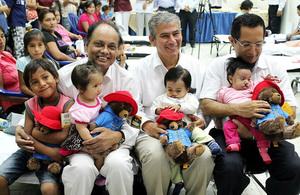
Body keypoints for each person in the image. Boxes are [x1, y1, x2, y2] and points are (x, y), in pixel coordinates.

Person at [200, 13, 300, 195]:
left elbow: (291, 110)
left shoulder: (274, 67)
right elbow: (206, 105)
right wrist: (238, 109)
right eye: (246, 44)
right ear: (232, 40)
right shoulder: (219, 66)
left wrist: (262, 126)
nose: (253, 51)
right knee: (229, 167)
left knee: (293, 166)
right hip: (230, 134)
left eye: (259, 43)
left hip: (269, 136)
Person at [129, 11, 215, 195]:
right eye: (164, 35)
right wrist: (147, 124)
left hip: (186, 131)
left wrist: (200, 120)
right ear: (152, 39)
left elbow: (204, 105)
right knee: (156, 157)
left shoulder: (197, 67)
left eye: (176, 33)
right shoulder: (138, 70)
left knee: (204, 156)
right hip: (151, 133)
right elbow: (130, 113)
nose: (172, 40)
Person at [56, 20, 139, 195]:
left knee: (119, 166)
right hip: (79, 146)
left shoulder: (127, 80)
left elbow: (135, 120)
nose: (105, 51)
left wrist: (118, 135)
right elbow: (55, 110)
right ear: (86, 45)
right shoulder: (65, 77)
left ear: (118, 51)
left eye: (111, 46)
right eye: (99, 44)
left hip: (116, 144)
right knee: (80, 169)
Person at [0, 58, 74, 195]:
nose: (42, 84)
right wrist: (50, 151)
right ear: (29, 88)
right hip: (32, 151)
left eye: (45, 77)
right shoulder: (30, 105)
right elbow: (27, 136)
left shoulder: (66, 105)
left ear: (56, 77)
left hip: (52, 160)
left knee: (48, 189)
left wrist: (35, 133)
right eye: (34, 82)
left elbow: (63, 136)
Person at [150, 66, 222, 155]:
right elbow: (152, 109)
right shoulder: (161, 99)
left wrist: (180, 107)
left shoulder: (189, 98)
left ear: (187, 89)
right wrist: (157, 110)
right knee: (165, 136)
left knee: (197, 132)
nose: (173, 93)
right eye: (170, 89)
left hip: (187, 127)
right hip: (169, 129)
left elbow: (193, 107)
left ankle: (210, 143)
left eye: (178, 91)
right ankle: (170, 148)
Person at [216, 57, 271, 164]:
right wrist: (219, 118)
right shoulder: (224, 91)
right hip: (236, 118)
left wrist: (267, 81)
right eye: (242, 79)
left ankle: (263, 149)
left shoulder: (251, 87)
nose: (247, 82)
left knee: (260, 130)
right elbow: (220, 106)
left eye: (249, 79)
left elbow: (261, 87)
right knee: (227, 126)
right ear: (231, 79)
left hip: (253, 116)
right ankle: (234, 143)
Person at [60, 63, 104, 170]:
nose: (99, 89)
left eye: (100, 84)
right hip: (81, 137)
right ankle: (98, 176)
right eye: (95, 86)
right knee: (99, 157)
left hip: (91, 129)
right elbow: (81, 128)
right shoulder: (79, 110)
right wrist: (93, 143)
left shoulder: (92, 97)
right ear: (80, 88)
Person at [17, 29, 59, 96]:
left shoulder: (50, 63)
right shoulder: (22, 62)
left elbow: (56, 83)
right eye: (32, 46)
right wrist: (38, 96)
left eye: (40, 45)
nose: (36, 49)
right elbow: (23, 87)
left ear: (45, 47)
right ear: (26, 48)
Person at [0, 25, 25, 115]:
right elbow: (2, 95)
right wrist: (28, 99)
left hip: (26, 97)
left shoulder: (7, 54)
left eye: (2, 36)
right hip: (15, 106)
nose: (1, 41)